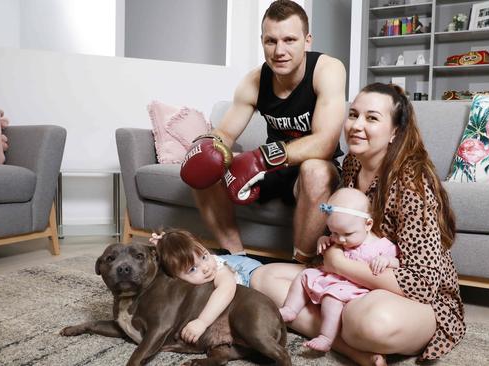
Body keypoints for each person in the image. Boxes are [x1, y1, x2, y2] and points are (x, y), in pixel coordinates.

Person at [251, 83, 466, 365]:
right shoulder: (353, 163)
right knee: (262, 280)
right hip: (350, 284)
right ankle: (350, 347)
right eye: (353, 115)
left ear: (395, 132)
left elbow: (422, 285)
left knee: (369, 323)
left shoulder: (413, 184)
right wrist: (329, 243)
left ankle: (344, 330)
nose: (356, 125)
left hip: (410, 299)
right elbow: (345, 230)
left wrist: (339, 265)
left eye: (372, 118)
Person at [179, 0, 347, 263]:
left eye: (290, 40)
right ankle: (236, 259)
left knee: (315, 170)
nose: (280, 50)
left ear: (307, 40)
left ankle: (299, 264)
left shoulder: (327, 70)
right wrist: (207, 143)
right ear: (262, 42)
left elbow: (325, 143)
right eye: (271, 41)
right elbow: (226, 132)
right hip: (272, 170)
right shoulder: (254, 81)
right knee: (208, 170)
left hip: (310, 171)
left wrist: (260, 158)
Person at [278, 188, 399, 352]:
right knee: (304, 275)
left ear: (368, 224)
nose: (340, 240)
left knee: (331, 299)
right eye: (334, 232)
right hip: (334, 277)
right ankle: (290, 309)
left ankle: (326, 337)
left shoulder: (382, 246)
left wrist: (387, 261)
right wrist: (323, 239)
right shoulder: (339, 238)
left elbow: (400, 264)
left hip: (355, 286)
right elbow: (329, 244)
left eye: (347, 234)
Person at [149, 229, 263, 343]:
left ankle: (281, 306)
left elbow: (226, 289)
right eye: (193, 269)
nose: (205, 268)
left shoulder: (218, 270)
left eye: (204, 257)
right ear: (175, 278)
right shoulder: (182, 282)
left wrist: (202, 322)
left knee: (263, 282)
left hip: (250, 273)